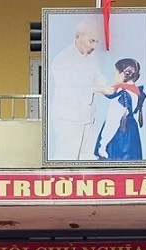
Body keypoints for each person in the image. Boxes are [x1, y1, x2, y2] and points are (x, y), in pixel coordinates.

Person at [49, 18, 110, 160]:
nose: (94, 46)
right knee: (67, 157)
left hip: (87, 116)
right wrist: (98, 89)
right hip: (68, 117)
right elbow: (71, 89)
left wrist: (109, 87)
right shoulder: (63, 59)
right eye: (91, 41)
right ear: (78, 37)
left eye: (96, 42)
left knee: (86, 156)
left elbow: (97, 76)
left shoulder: (91, 56)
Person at [94, 58, 146, 161]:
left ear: (123, 74)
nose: (114, 76)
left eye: (115, 73)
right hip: (132, 135)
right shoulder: (136, 92)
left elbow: (112, 123)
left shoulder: (121, 95)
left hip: (119, 138)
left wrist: (102, 145)